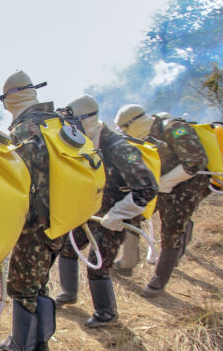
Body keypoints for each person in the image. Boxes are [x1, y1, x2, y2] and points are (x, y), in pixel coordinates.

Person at [54, 95, 158, 327]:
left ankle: (106, 313)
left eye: (72, 123)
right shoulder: (83, 144)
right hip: (89, 211)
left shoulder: (117, 147)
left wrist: (119, 213)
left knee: (98, 262)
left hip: (115, 216)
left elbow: (148, 188)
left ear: (87, 120)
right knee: (68, 247)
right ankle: (68, 293)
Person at [0, 70, 64, 351]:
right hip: (60, 220)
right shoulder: (56, 124)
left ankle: (20, 346)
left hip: (34, 226)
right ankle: (40, 345)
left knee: (22, 284)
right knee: (38, 280)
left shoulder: (23, 131)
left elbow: (11, 183)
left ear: (10, 99)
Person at [115, 104, 209, 297]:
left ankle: (159, 280)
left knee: (171, 230)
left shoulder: (175, 128)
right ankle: (128, 262)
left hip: (187, 186)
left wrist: (166, 181)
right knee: (132, 216)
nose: (123, 132)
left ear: (136, 122)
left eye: (124, 127)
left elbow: (196, 161)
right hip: (159, 184)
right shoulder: (142, 136)